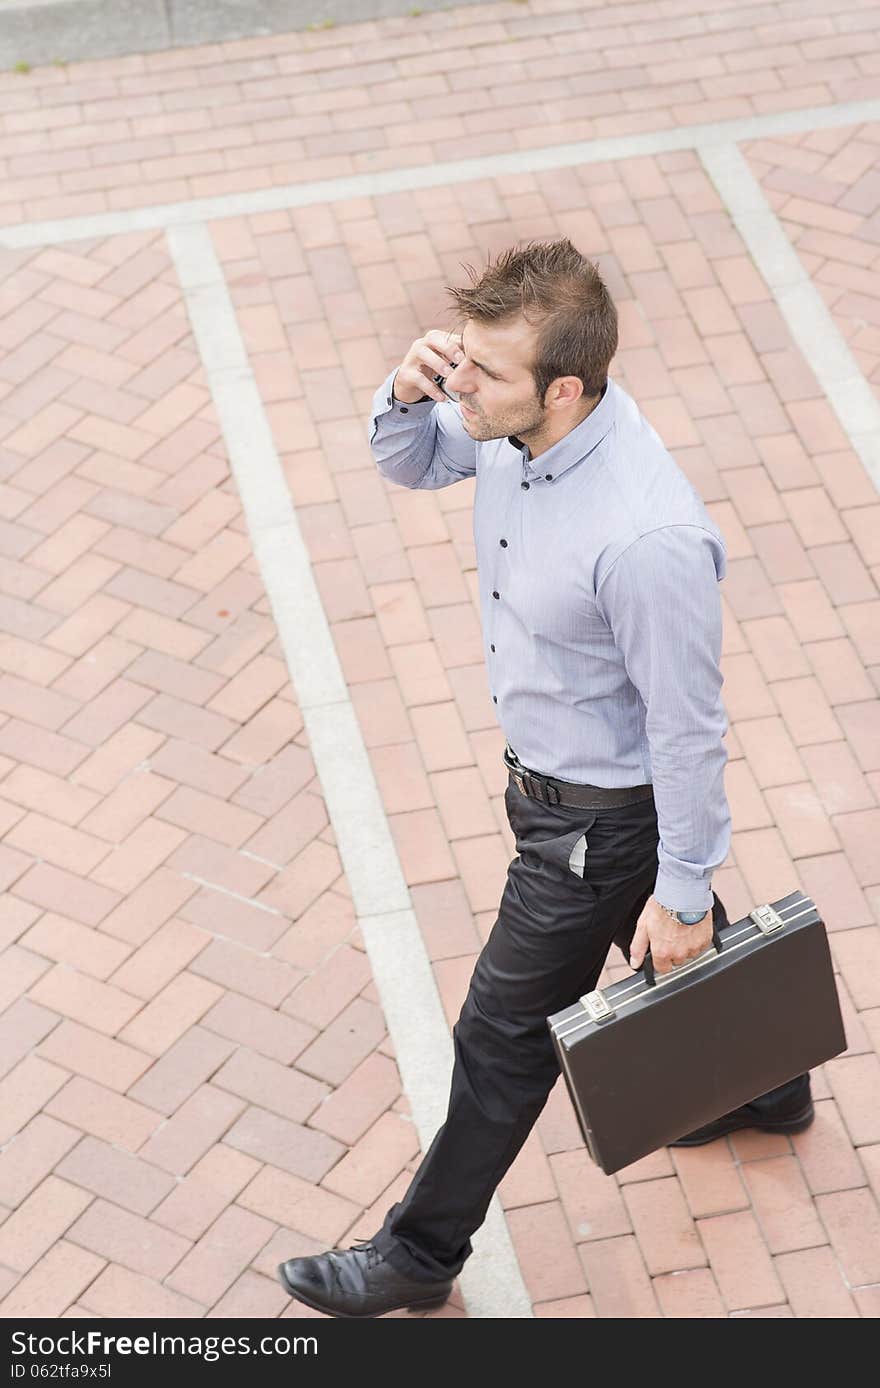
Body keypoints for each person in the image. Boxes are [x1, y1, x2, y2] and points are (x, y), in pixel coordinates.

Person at [277, 239, 813, 1318]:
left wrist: (680, 887)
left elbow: (689, 729)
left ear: (563, 386)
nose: (456, 388)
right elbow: (410, 458)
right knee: (670, 938)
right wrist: (403, 386)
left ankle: (417, 1255)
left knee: (500, 1037)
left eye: (482, 371)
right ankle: (769, 1083)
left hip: (593, 825)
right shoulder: (511, 427)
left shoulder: (644, 536)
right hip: (563, 798)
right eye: (456, 359)